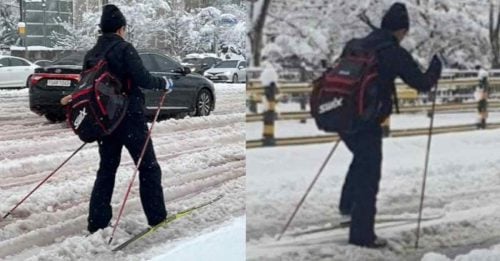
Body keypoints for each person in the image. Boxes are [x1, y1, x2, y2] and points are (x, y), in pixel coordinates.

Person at [337, 2, 442, 248]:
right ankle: (362, 235)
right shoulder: (392, 52)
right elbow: (422, 83)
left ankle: (347, 206)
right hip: (367, 121)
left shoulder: (356, 44)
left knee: (361, 159)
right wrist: (437, 67)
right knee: (369, 173)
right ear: (401, 30)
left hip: (342, 116)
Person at [62, 4, 169, 233]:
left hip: (105, 121)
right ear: (121, 28)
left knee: (107, 169)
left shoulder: (92, 53)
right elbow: (143, 79)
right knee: (148, 166)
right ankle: (157, 218)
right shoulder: (124, 49)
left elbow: (86, 85)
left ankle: (97, 222)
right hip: (130, 119)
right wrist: (164, 84)